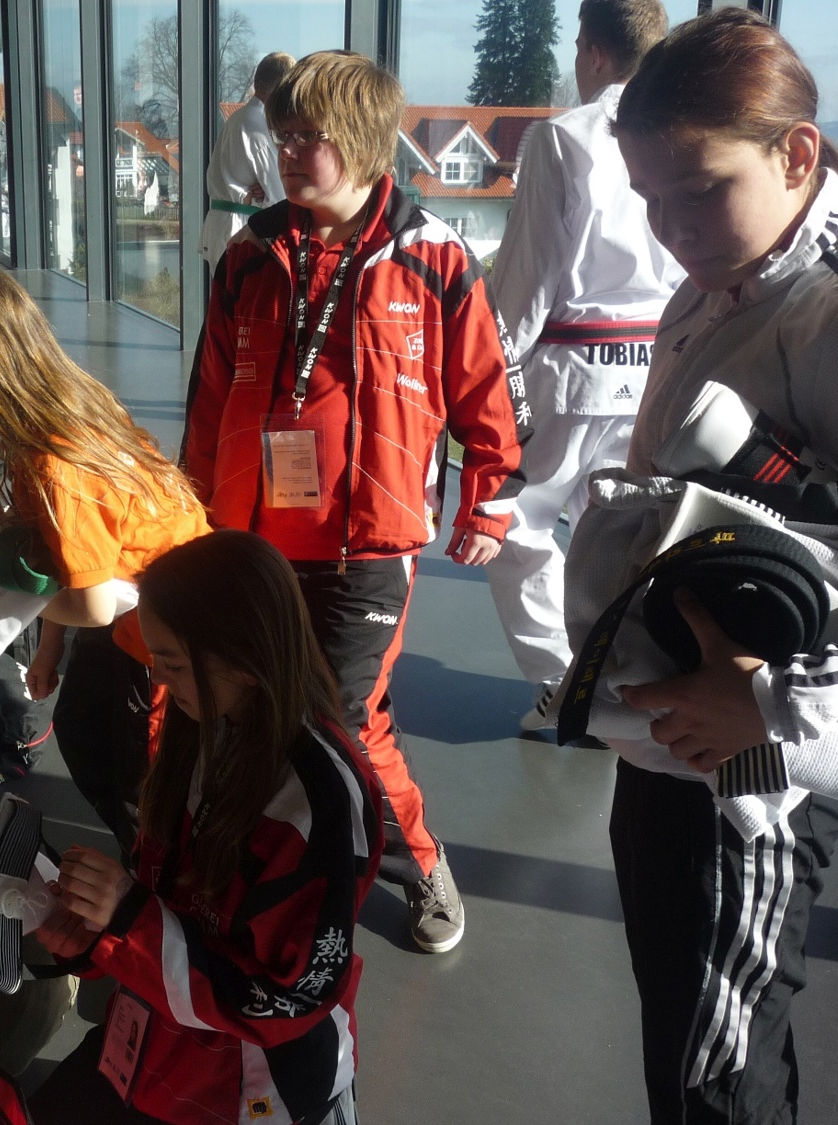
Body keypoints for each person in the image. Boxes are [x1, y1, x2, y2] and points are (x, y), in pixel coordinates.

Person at [582, 11, 838, 1122]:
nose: (671, 227)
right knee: (684, 1036)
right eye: (648, 198)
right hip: (685, 735)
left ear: (796, 154)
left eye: (698, 190)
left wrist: (778, 700)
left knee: (718, 1072)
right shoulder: (724, 277)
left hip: (757, 772)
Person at [182, 50, 524, 954]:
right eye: (283, 135)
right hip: (254, 536)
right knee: (249, 709)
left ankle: (421, 863)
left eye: (310, 136)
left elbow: (486, 388)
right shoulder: (249, 253)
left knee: (346, 719)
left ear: (365, 142)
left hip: (368, 545)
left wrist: (488, 499)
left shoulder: (434, 255)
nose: (289, 152)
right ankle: (265, 859)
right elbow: (209, 397)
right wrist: (191, 513)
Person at [27, 529, 383, 1125]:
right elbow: (168, 894)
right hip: (152, 1047)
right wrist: (95, 936)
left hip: (250, 1090)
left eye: (172, 663)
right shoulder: (201, 733)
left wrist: (126, 917)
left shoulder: (316, 799)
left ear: (244, 657)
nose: (162, 682)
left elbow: (289, 997)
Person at [0, 264, 209, 852]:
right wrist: (48, 649)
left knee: (138, 779)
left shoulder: (56, 464)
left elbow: (92, 606)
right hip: (146, 609)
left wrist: (5, 597)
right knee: (84, 731)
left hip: (165, 634)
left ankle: (154, 878)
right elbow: (69, 562)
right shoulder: (71, 411)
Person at [482, 0, 684, 726]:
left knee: (513, 524)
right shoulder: (685, 129)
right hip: (658, 366)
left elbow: (530, 272)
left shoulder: (565, 138)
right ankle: (625, 681)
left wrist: (490, 366)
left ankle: (565, 681)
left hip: (572, 370)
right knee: (623, 537)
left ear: (594, 51)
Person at [197, 52, 294, 269]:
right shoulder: (258, 125)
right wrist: (260, 196)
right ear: (282, 88)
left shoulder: (240, 118)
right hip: (238, 227)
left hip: (225, 224)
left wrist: (258, 194)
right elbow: (280, 194)